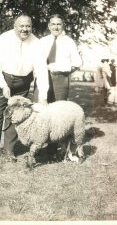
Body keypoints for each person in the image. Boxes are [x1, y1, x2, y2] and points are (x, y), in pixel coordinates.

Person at [0, 13, 49, 160]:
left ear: (31, 27)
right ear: (14, 26)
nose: (25, 29)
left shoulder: (37, 44)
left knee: (15, 115)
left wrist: (43, 95)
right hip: (0, 78)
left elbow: (42, 70)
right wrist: (3, 85)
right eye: (21, 26)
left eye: (28, 26)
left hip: (23, 82)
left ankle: (9, 150)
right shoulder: (3, 39)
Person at [34, 14, 82, 155]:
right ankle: (37, 145)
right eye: (53, 24)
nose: (56, 27)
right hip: (43, 77)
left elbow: (77, 62)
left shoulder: (69, 42)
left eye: (59, 24)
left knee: (58, 113)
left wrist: (64, 70)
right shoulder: (42, 41)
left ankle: (52, 149)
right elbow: (36, 60)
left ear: (63, 26)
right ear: (49, 26)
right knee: (40, 109)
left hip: (60, 79)